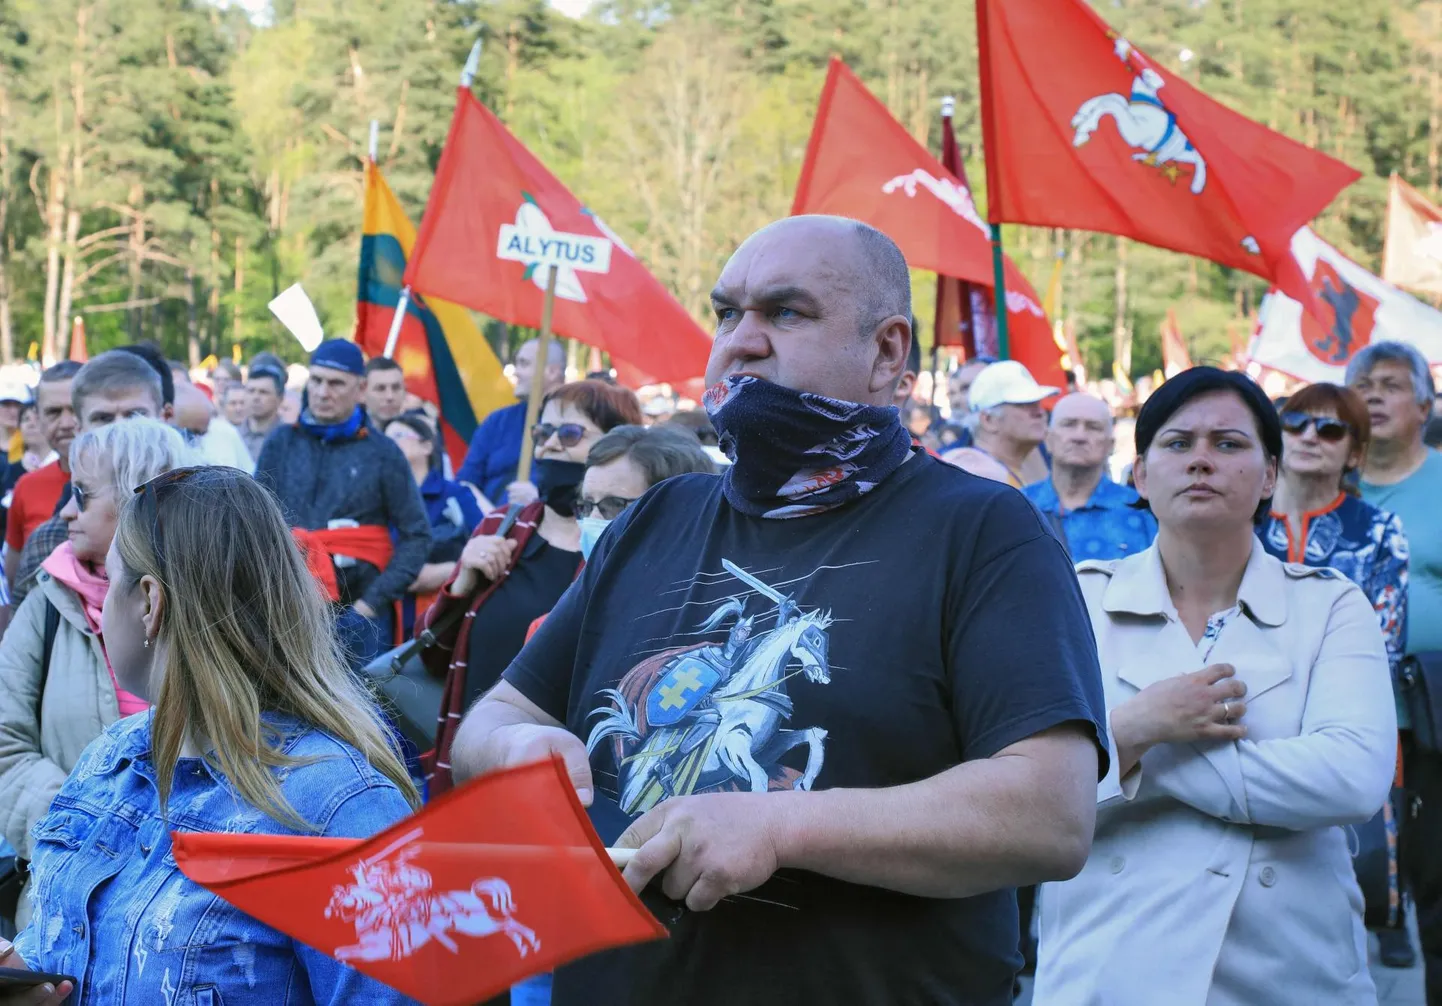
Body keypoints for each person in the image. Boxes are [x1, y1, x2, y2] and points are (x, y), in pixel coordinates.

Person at [448, 216, 1106, 1006]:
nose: (742, 340)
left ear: (887, 353)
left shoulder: (984, 530)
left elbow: (1050, 814)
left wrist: (782, 826)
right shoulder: (654, 518)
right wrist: (517, 748)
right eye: (728, 313)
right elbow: (494, 720)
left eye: (785, 313)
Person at [1033, 367, 1396, 1006]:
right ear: (1140, 476)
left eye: (1228, 444)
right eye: (1178, 444)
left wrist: (1125, 754)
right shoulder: (1076, 599)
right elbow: (1025, 785)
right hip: (1113, 962)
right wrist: (1143, 724)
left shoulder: (1330, 606)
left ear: (1268, 477)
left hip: (1288, 968)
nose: (1202, 460)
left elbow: (1353, 777)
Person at [0, 465, 419, 1005]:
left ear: (150, 603)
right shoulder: (111, 757)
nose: (102, 607)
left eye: (110, 579)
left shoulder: (343, 809)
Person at [0, 418, 195, 929]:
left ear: (138, 500)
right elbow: (4, 743)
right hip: (67, 907)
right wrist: (90, 824)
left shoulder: (215, 612)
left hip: (191, 912)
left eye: (82, 495)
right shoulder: (46, 602)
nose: (65, 511)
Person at [419, 380, 643, 794]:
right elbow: (432, 655)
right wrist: (463, 580)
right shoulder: (504, 525)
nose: (550, 445)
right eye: (543, 432)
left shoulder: (622, 548)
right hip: (471, 769)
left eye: (570, 433)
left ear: (614, 447)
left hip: (564, 783)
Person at [1258, 381, 1411, 964]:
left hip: (1343, 713)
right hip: (1245, 712)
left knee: (1334, 875)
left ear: (1354, 453)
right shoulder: (1238, 523)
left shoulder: (1377, 530)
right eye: (1295, 423)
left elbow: (1382, 642)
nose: (1308, 437)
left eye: (1329, 428)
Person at [1347, 340, 1442, 988]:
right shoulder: (1321, 483)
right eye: (1361, 385)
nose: (1373, 396)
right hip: (1342, 713)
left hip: (1432, 714)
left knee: (1436, 870)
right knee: (1346, 877)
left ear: (1426, 404)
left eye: (1390, 384)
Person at [255, 338, 429, 671]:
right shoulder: (281, 442)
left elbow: (417, 535)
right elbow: (254, 520)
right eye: (317, 380)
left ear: (361, 389)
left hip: (361, 616)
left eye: (336, 383)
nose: (322, 392)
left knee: (360, 718)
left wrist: (370, 604)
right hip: (286, 609)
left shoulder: (384, 453)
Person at [11, 353, 169, 609]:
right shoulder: (52, 538)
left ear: (165, 417)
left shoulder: (207, 520)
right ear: (79, 429)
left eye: (135, 415)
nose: (120, 431)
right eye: (103, 419)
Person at [384, 412, 483, 640]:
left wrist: (449, 571)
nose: (389, 444)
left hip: (442, 615)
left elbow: (483, 544)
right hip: (388, 617)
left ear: (426, 446)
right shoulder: (380, 498)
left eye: (398, 435)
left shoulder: (455, 494)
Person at [1025, 392, 1157, 560]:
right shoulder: (1020, 505)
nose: (1079, 436)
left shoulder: (1139, 510)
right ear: (1048, 439)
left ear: (1110, 445)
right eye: (1068, 424)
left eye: (1093, 427)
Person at [456, 338, 566, 511]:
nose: (516, 372)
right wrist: (492, 518)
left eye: (524, 364)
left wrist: (540, 501)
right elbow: (465, 484)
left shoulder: (573, 427)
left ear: (552, 371)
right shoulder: (496, 421)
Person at [4, 365, 79, 594]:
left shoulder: (131, 483)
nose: (66, 423)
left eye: (75, 410)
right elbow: (16, 579)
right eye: (54, 412)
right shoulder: (27, 486)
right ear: (39, 417)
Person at [944, 360, 1053, 487]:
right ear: (988, 420)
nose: (1039, 412)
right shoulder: (975, 473)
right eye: (1023, 404)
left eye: (1037, 403)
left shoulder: (1016, 465)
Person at [241, 358, 287, 461]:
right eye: (251, 391)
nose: (255, 397)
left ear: (280, 398)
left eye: (263, 392)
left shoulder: (289, 440)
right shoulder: (232, 434)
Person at [364, 356, 408, 426]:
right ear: (362, 392)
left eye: (396, 388)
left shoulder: (422, 431)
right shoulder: (348, 434)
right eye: (380, 389)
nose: (390, 396)